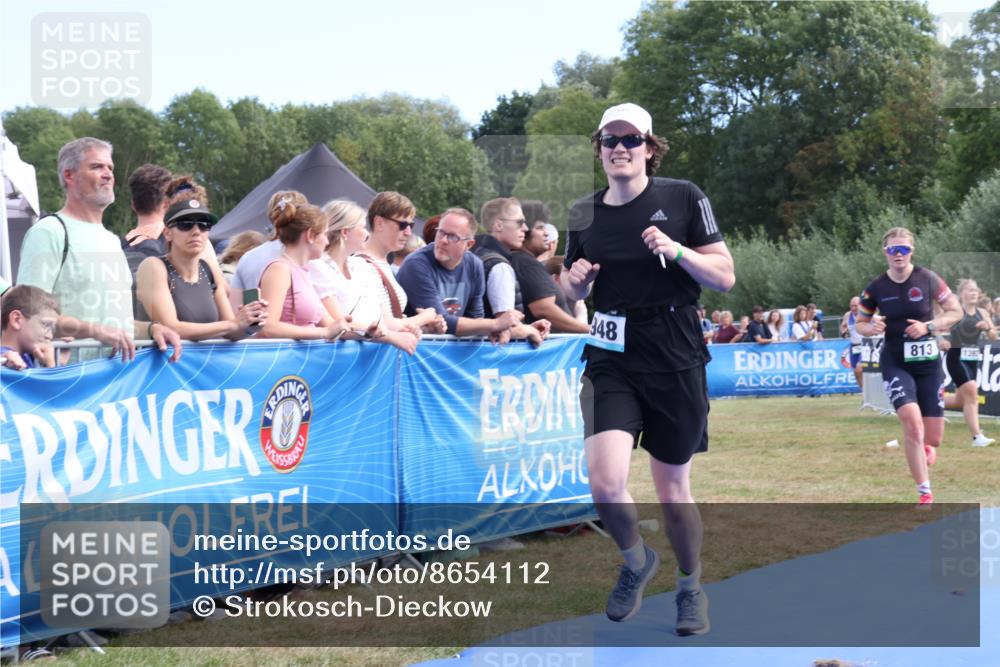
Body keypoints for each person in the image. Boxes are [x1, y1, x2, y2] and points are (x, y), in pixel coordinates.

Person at [562, 102, 734, 636]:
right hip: (610, 355)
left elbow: (724, 276)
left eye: (631, 139)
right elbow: (568, 290)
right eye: (609, 139)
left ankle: (690, 586)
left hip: (674, 352)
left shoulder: (683, 197)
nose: (620, 147)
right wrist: (576, 284)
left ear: (649, 147)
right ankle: (636, 561)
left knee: (672, 491)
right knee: (604, 481)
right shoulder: (583, 212)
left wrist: (678, 250)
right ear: (598, 149)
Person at [16, 137, 180, 362]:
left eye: (110, 167)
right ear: (69, 175)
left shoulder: (111, 240)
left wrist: (152, 329)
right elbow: (28, 314)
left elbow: (115, 326)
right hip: (70, 377)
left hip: (116, 377)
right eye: (96, 167)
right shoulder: (49, 232)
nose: (108, 174)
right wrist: (96, 332)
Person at [855, 227, 962, 507]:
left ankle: (926, 448)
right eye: (893, 249)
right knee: (912, 423)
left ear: (912, 251)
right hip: (895, 361)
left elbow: (956, 311)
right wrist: (871, 326)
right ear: (885, 253)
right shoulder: (875, 288)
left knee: (934, 438)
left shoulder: (928, 279)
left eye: (903, 249)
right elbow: (860, 323)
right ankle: (925, 492)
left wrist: (929, 326)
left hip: (928, 364)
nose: (898, 254)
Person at [397, 208, 548, 345]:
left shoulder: (474, 264)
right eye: (441, 232)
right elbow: (442, 322)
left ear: (469, 244)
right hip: (413, 352)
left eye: (452, 237)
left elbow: (475, 320)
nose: (443, 241)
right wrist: (497, 324)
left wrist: (519, 329)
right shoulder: (416, 264)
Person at [310, 199, 440, 353]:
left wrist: (410, 328)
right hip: (339, 358)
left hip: (370, 358)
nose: (367, 233)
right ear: (345, 232)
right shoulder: (318, 267)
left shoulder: (361, 266)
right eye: (362, 227)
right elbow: (337, 326)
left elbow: (383, 320)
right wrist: (393, 335)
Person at [135, 199, 267, 341]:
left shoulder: (208, 270)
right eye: (185, 224)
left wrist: (250, 321)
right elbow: (171, 328)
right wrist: (233, 324)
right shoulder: (154, 266)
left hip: (206, 355)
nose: (196, 231)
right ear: (167, 233)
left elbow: (231, 332)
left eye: (204, 225)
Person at [480, 197, 589, 334]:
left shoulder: (493, 257)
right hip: (539, 346)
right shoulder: (515, 263)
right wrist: (588, 329)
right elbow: (542, 310)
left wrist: (529, 329)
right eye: (539, 228)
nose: (525, 229)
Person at [257, 192, 349, 340]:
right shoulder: (280, 270)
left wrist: (365, 332)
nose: (327, 241)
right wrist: (325, 333)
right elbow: (267, 327)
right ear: (310, 235)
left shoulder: (302, 271)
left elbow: (331, 325)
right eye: (324, 234)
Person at [941, 279, 996, 447]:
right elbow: (937, 328)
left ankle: (926, 403)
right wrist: (941, 340)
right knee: (972, 393)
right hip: (956, 357)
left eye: (975, 290)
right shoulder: (955, 311)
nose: (973, 293)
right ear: (961, 294)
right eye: (970, 290)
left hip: (973, 359)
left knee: (960, 400)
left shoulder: (983, 312)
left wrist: (987, 328)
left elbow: (993, 337)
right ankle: (977, 437)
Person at [1, 285, 60, 369]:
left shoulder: (26, 356)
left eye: (52, 328)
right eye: (45, 325)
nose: (50, 336)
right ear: (16, 320)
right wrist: (50, 365)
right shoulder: (8, 361)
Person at [840, 297, 864, 388]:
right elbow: (842, 330)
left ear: (860, 305)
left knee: (859, 369)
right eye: (851, 306)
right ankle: (864, 392)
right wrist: (844, 331)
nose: (853, 308)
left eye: (855, 306)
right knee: (856, 373)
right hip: (853, 346)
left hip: (864, 345)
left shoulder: (865, 315)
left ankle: (867, 392)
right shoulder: (847, 315)